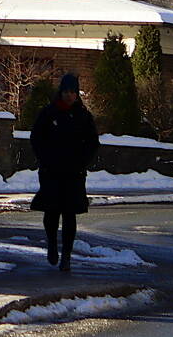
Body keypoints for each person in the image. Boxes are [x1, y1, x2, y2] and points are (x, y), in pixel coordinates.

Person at [30, 72, 99, 270]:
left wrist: (82, 162)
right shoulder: (48, 113)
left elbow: (93, 142)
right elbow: (36, 138)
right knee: (51, 211)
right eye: (66, 91)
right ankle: (52, 245)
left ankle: (66, 256)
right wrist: (45, 159)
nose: (69, 95)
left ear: (77, 94)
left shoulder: (83, 116)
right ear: (60, 92)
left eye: (73, 92)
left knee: (70, 214)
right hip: (51, 171)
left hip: (73, 173)